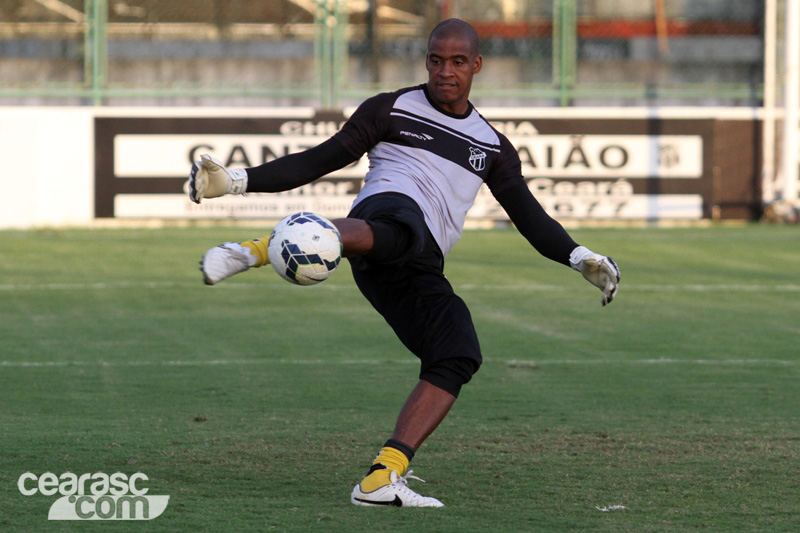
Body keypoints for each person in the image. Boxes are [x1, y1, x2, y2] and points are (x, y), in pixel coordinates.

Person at [188, 19, 620, 508]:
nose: (445, 71)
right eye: (436, 60)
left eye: (458, 62)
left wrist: (579, 257)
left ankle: (381, 476)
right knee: (402, 226)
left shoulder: (492, 147)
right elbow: (320, 159)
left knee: (457, 352)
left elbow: (530, 218)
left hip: (415, 262)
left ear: (477, 65)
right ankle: (256, 250)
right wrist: (238, 180)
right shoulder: (390, 108)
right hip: (384, 217)